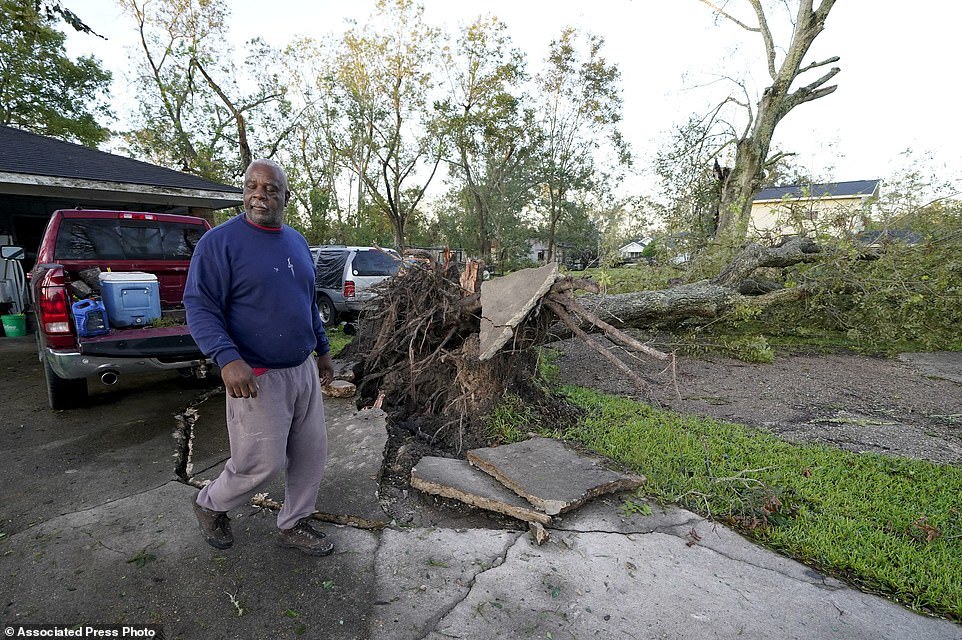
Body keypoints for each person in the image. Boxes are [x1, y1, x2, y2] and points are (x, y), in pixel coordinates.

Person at [184, 158, 335, 556]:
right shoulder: (219, 243)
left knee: (311, 452)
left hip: (301, 369)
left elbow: (305, 302)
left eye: (270, 188)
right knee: (260, 462)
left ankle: (295, 522)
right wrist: (226, 357)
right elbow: (200, 306)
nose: (259, 195)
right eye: (252, 186)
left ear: (286, 196)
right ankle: (210, 504)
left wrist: (322, 348)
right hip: (256, 375)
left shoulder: (297, 242)